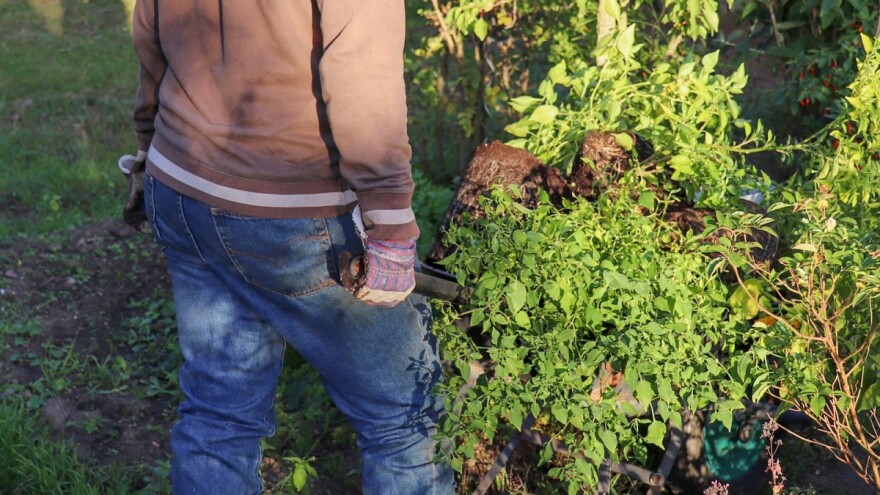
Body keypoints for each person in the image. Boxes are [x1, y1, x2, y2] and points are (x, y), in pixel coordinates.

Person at [117, 1, 454, 493]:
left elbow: (151, 28)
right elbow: (363, 73)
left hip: (181, 183)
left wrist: (148, 144)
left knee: (219, 414)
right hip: (291, 208)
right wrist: (389, 223)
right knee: (404, 419)